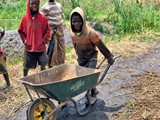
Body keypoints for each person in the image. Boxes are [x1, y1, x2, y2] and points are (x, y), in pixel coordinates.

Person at [70, 7, 115, 104]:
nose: (76, 24)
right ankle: (93, 89)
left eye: (79, 21)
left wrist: (109, 57)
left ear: (83, 20)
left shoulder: (90, 33)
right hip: (81, 59)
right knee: (85, 77)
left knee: (89, 76)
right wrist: (79, 58)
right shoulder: (72, 33)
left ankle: (92, 95)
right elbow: (75, 46)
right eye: (74, 21)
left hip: (91, 57)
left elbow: (100, 45)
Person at [18, 0, 50, 77]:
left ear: (38, 4)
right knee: (26, 66)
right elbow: (20, 30)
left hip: (40, 47)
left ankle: (44, 79)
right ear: (29, 5)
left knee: (43, 64)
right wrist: (24, 40)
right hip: (29, 47)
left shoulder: (42, 18)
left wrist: (44, 39)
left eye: (36, 3)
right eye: (32, 4)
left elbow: (47, 30)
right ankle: (25, 78)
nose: (34, 5)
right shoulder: (25, 18)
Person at [40, 0, 65, 68]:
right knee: (52, 48)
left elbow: (60, 16)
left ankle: (60, 64)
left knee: (61, 48)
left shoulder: (58, 5)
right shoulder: (45, 7)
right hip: (52, 31)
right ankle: (50, 65)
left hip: (59, 30)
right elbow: (41, 19)